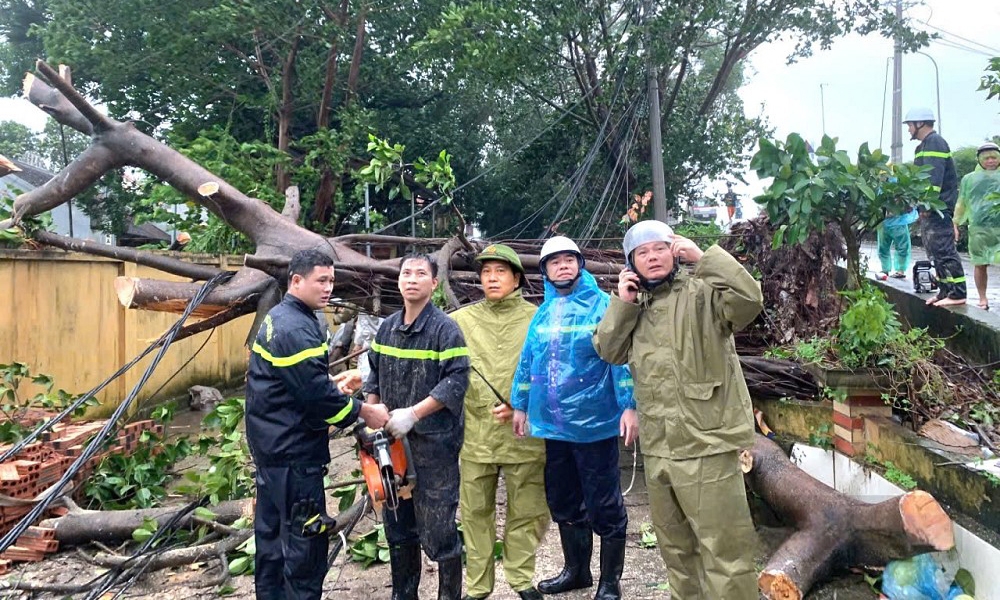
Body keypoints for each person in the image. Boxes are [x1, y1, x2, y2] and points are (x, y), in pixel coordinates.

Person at [593, 220, 762, 600]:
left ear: (674, 251)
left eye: (658, 248)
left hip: (708, 444)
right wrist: (623, 303)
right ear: (631, 263)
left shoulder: (705, 292)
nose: (651, 257)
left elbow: (750, 301)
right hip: (659, 448)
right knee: (676, 555)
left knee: (726, 554)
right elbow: (608, 351)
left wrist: (706, 258)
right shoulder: (635, 306)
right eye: (641, 253)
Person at [245, 249, 390, 600]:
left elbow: (297, 384)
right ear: (296, 280)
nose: (329, 288)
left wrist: (331, 385)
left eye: (331, 280)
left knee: (272, 542)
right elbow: (314, 397)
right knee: (304, 545)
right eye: (321, 280)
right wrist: (362, 413)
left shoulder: (284, 316)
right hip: (294, 454)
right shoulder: (296, 327)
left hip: (271, 450)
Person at [510, 236, 637, 600]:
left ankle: (609, 582)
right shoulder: (542, 314)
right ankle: (577, 571)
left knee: (604, 503)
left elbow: (620, 358)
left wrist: (629, 405)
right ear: (546, 271)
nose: (563, 265)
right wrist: (520, 404)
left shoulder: (602, 306)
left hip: (595, 425)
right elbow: (528, 362)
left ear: (580, 265)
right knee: (563, 499)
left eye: (569, 259)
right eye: (555, 261)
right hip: (555, 426)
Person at [363, 253, 470, 600]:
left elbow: (456, 381)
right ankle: (404, 594)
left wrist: (414, 413)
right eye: (406, 273)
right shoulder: (386, 328)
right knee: (397, 525)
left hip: (433, 447)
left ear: (433, 284)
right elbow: (374, 374)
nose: (411, 279)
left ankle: (448, 595)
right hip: (392, 446)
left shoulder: (445, 329)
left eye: (420, 274)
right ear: (398, 281)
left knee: (438, 529)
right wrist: (375, 410)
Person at [451, 244, 548, 600]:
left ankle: (521, 579)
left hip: (525, 434)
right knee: (476, 512)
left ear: (517, 278)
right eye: (486, 272)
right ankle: (478, 586)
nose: (492, 278)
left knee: (527, 508)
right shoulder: (461, 321)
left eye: (500, 272)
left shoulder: (537, 318)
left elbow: (554, 376)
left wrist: (524, 407)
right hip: (476, 433)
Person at [904, 107, 967, 306]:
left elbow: (933, 178)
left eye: (910, 126)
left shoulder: (935, 143)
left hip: (938, 208)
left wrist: (928, 204)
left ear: (919, 124)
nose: (908, 130)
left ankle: (958, 293)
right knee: (935, 251)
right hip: (929, 208)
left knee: (944, 249)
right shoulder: (922, 146)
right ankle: (945, 291)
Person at [954, 142, 1000, 310]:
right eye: (986, 158)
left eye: (994, 157)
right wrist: (956, 223)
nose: (990, 161)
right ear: (979, 160)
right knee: (980, 263)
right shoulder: (969, 179)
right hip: (979, 227)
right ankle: (983, 298)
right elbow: (962, 202)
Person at [877, 206, 918, 279]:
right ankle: (888, 270)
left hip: (896, 222)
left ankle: (898, 270)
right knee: (885, 247)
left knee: (900, 247)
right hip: (892, 222)